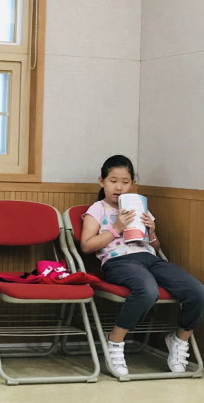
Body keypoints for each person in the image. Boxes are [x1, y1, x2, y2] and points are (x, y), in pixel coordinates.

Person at [80, 154, 204, 375]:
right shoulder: (97, 209)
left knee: (197, 290)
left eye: (125, 182)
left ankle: (179, 339)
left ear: (132, 184)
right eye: (113, 181)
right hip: (118, 261)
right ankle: (115, 340)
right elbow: (86, 246)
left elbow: (155, 246)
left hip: (149, 258)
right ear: (102, 181)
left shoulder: (138, 206)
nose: (119, 187)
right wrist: (116, 228)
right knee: (147, 290)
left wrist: (152, 230)